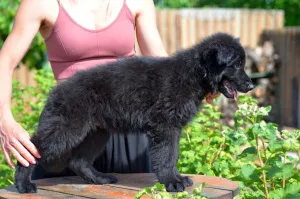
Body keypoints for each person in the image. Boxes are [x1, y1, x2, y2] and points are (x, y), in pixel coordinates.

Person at [0, 0, 220, 179]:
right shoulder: (41, 4)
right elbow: (5, 61)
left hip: (127, 121)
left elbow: (160, 62)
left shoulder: (137, 2)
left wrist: (201, 83)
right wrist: (4, 120)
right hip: (72, 119)